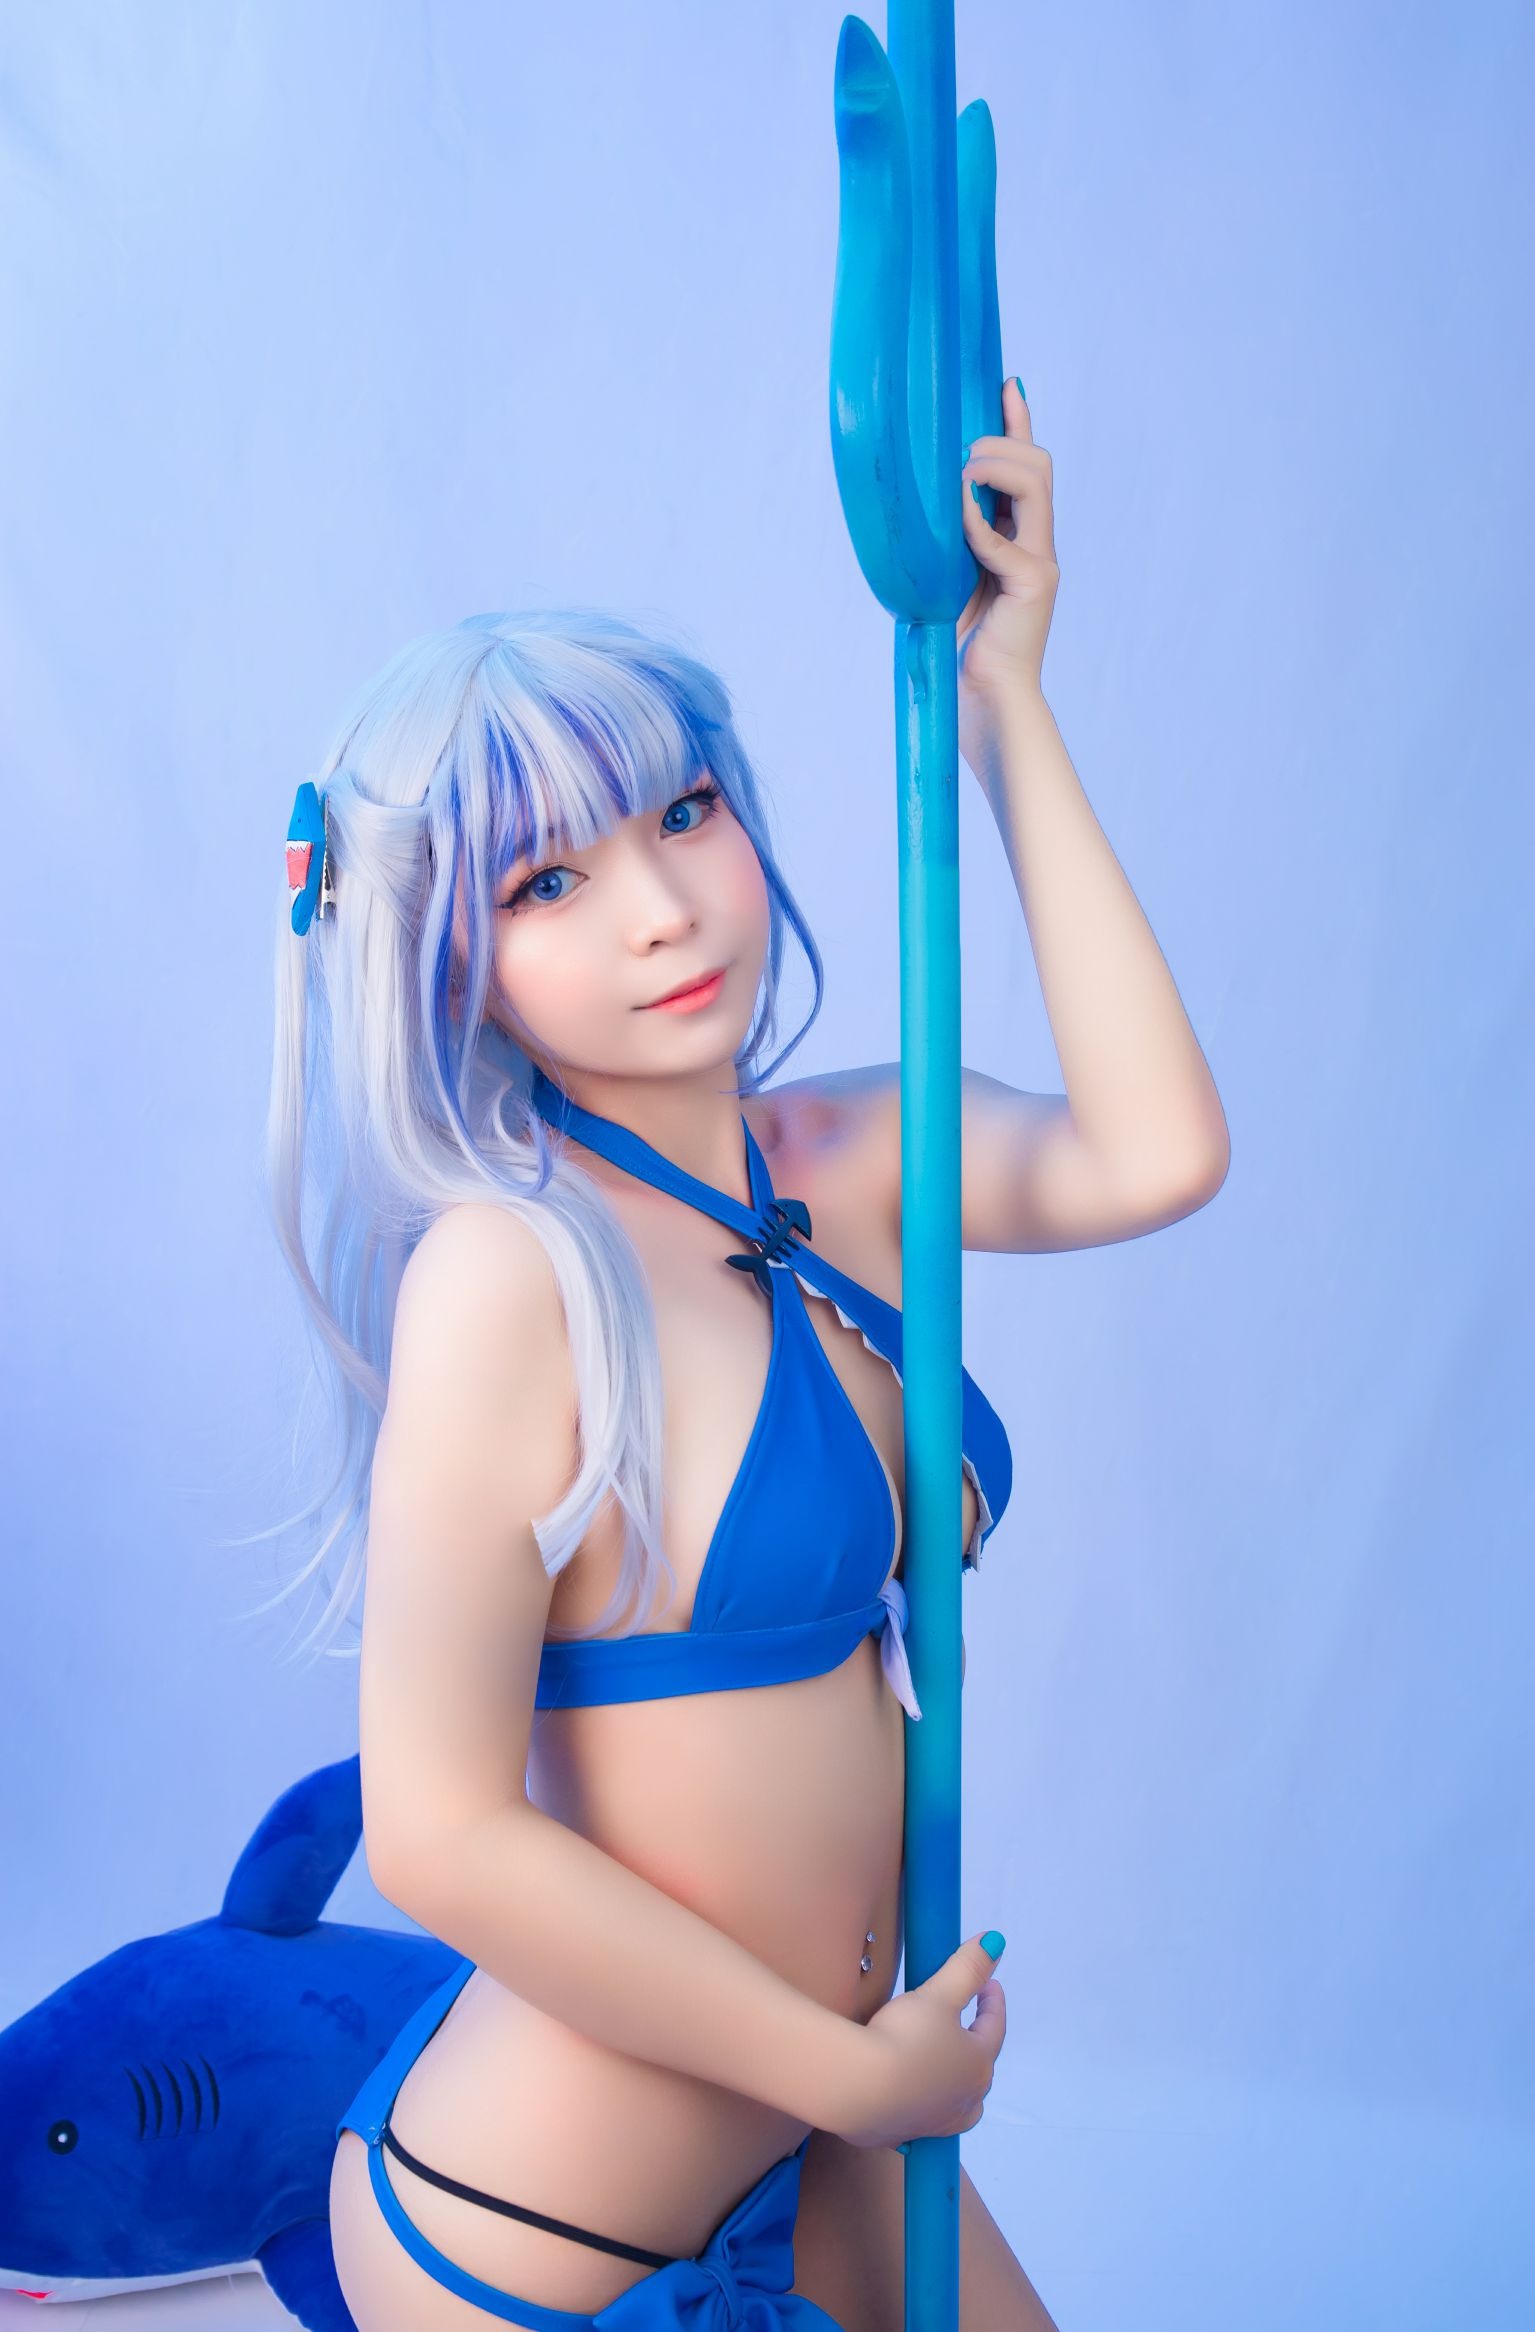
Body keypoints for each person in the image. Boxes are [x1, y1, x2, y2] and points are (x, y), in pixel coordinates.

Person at [267, 378, 1228, 2328]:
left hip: (841, 2126)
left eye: (683, 812)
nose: (658, 909)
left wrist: (1006, 709)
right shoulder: (511, 1275)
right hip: (551, 2227)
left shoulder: (852, 1156)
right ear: (450, 961)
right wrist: (849, 2074)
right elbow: (434, 1829)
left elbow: (1158, 1151)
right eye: (547, 881)